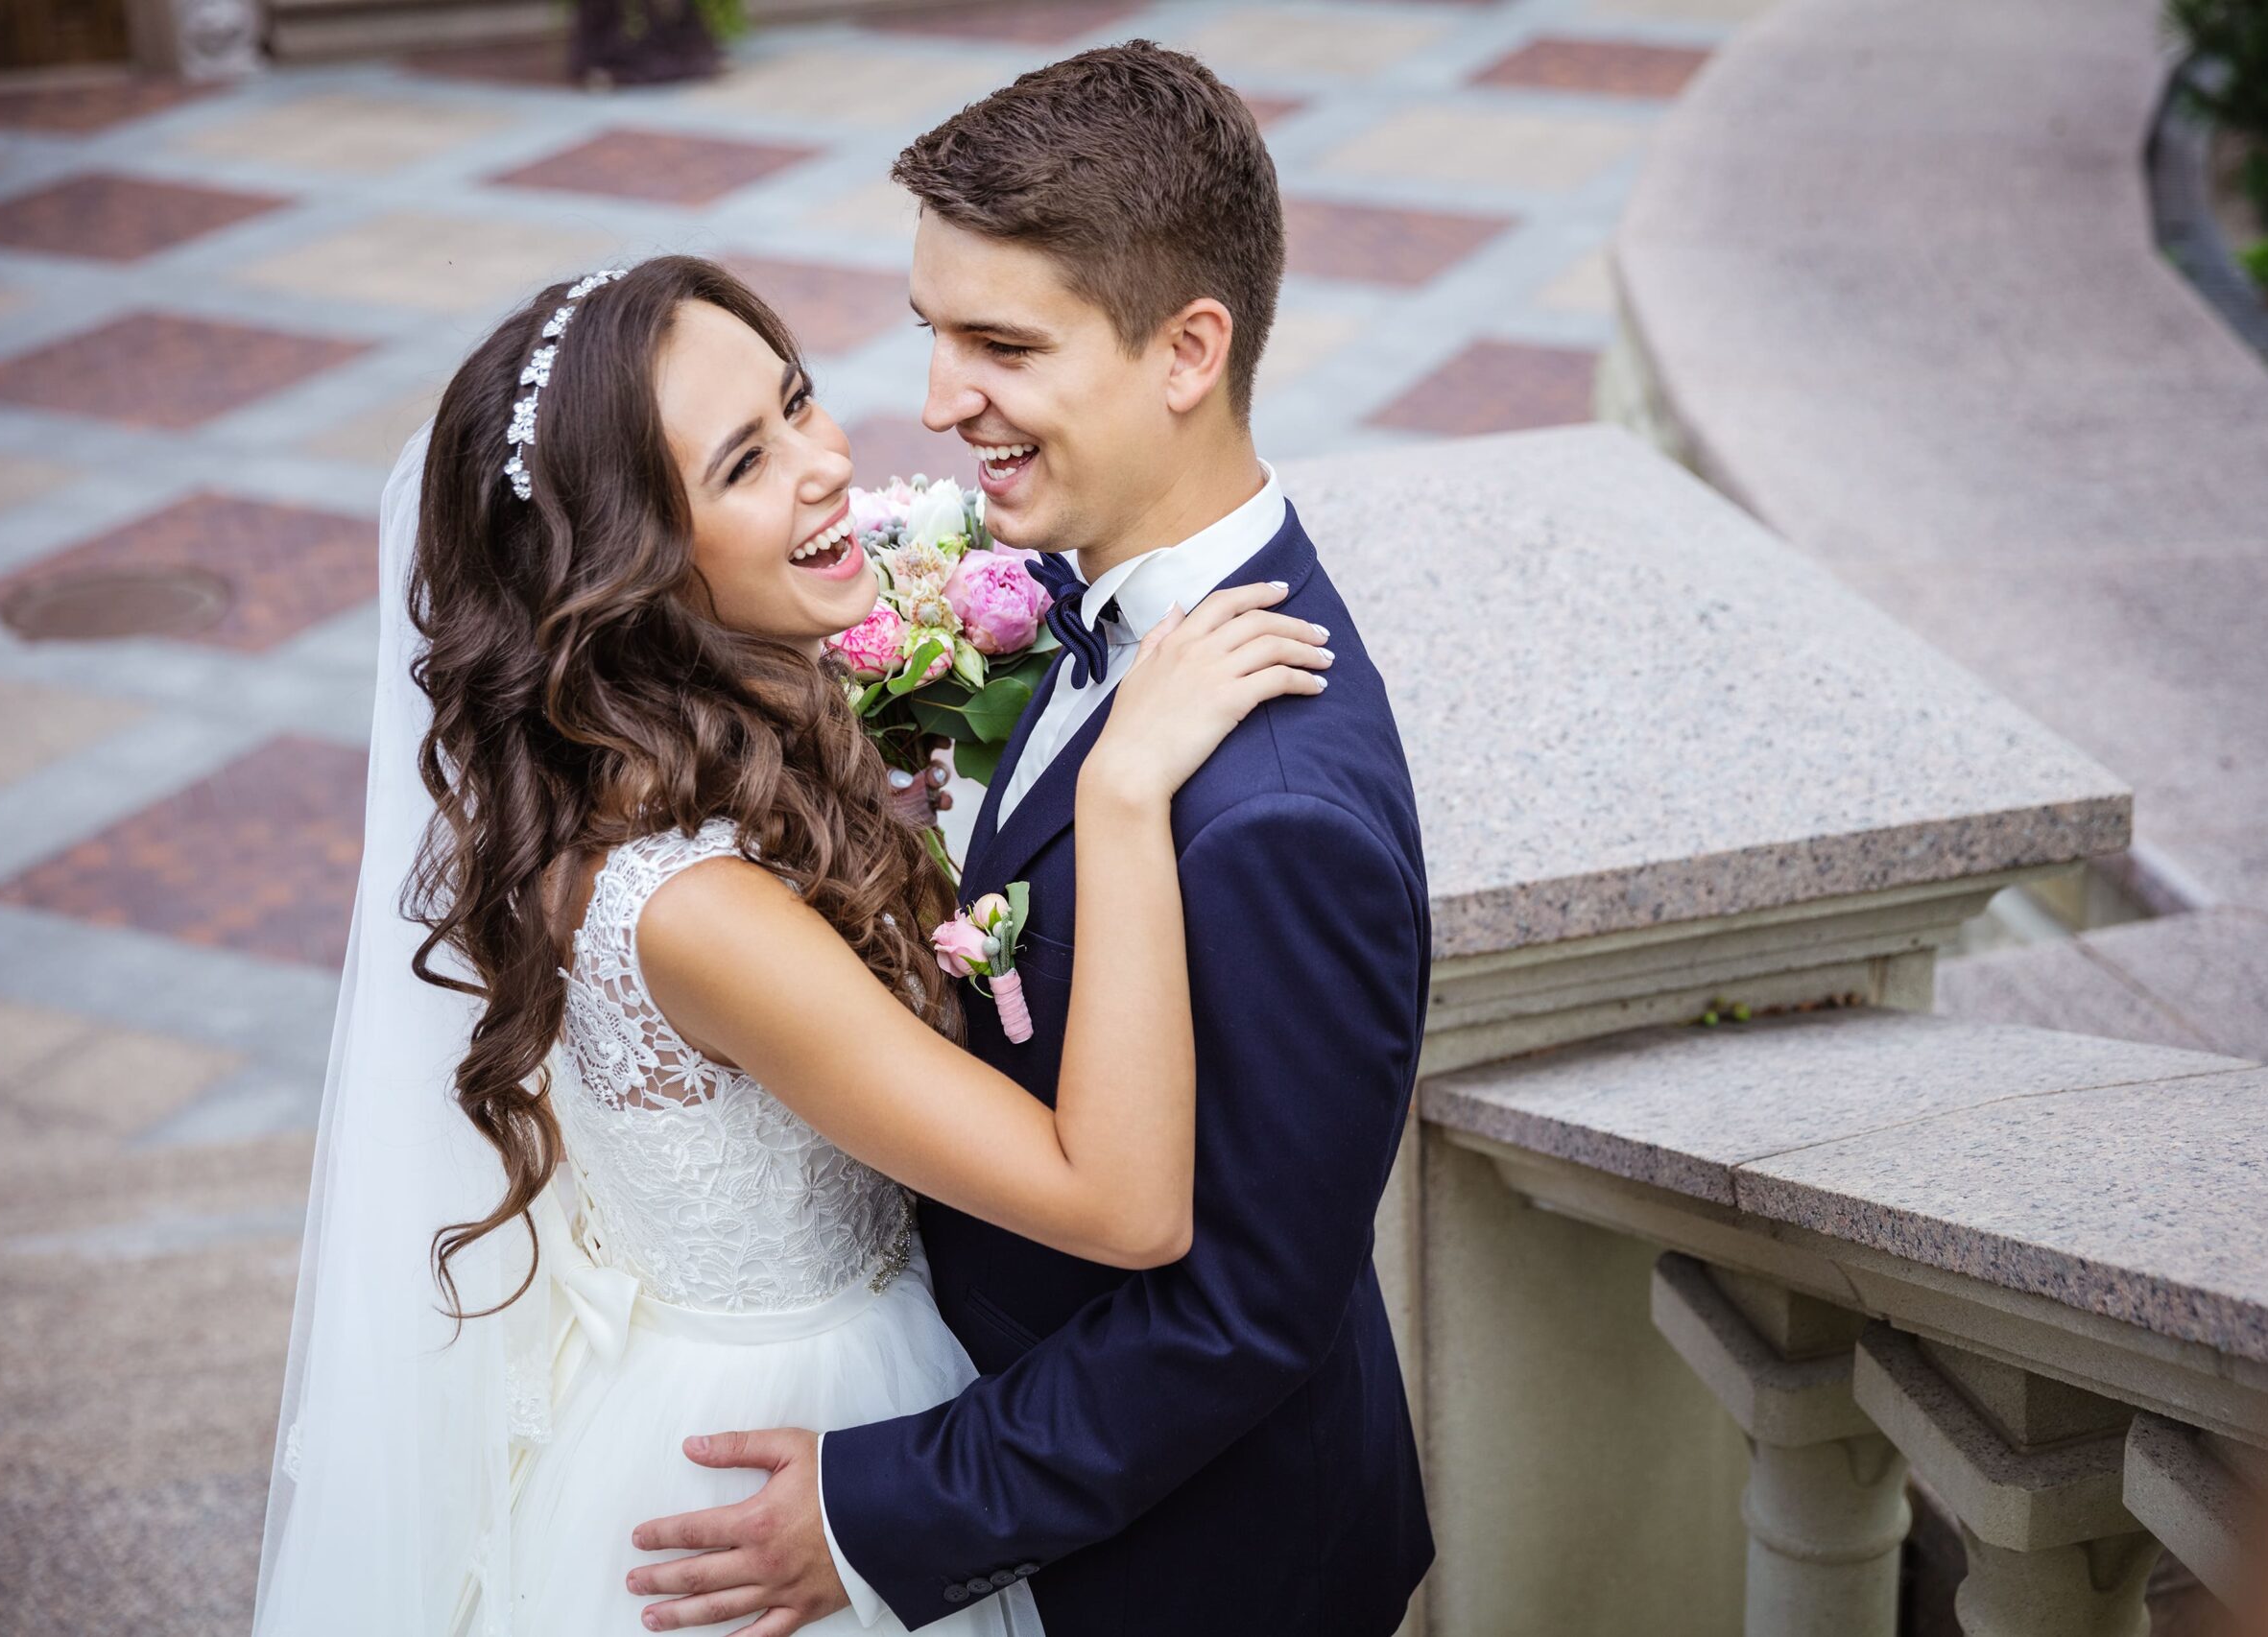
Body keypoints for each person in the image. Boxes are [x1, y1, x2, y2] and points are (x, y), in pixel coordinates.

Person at [251, 252, 1331, 1637]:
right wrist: (1119, 795)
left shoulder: (667, 756)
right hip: (783, 1443)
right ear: (632, 565)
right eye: (746, 464)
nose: (826, 464)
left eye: (799, 401)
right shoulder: (699, 915)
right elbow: (1124, 1207)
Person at [627, 44, 1436, 1637]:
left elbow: (1240, 1312)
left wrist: (878, 1511)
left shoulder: (1279, 815)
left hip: (1192, 1574)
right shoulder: (1072, 597)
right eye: (936, 333)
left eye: (1001, 344)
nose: (936, 403)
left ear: (1187, 349)